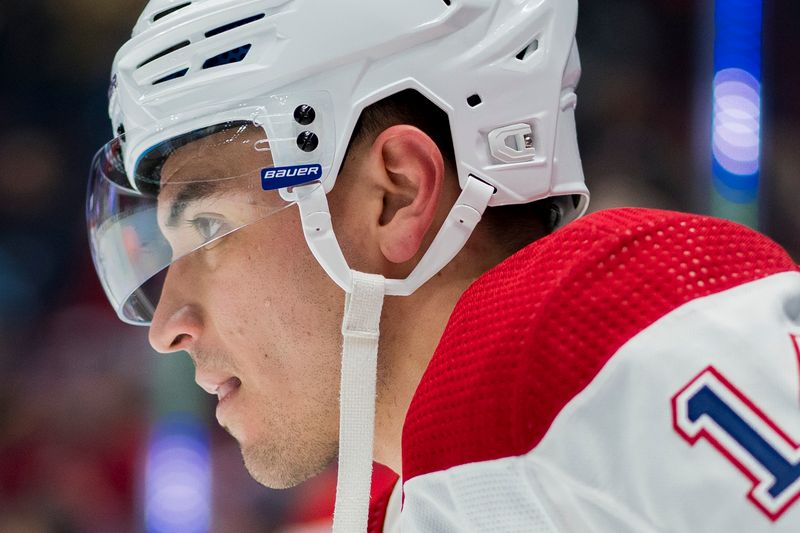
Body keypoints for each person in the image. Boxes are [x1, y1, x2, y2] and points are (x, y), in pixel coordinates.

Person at [86, 0, 800, 531]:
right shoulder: (410, 492)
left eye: (209, 227)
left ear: (395, 194)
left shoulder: (602, 335)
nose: (167, 325)